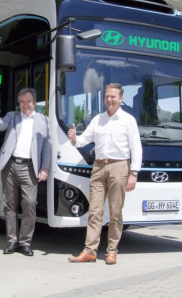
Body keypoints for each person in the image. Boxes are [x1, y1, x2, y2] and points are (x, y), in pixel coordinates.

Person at [67, 83, 142, 265]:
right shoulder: (98, 119)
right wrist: (75, 139)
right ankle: (90, 251)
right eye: (107, 96)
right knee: (94, 211)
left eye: (113, 97)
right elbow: (85, 139)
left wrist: (134, 173)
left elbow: (136, 148)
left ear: (121, 98)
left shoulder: (128, 120)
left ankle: (112, 251)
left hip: (119, 166)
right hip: (99, 167)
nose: (109, 99)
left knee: (115, 212)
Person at [0, 88, 51, 256]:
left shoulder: (44, 121)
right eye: (22, 102)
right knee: (9, 204)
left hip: (30, 167)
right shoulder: (13, 116)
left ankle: (24, 242)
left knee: (30, 203)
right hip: (9, 165)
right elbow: (1, 124)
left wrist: (44, 167)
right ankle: (11, 241)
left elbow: (47, 146)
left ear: (34, 102)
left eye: (28, 102)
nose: (25, 105)